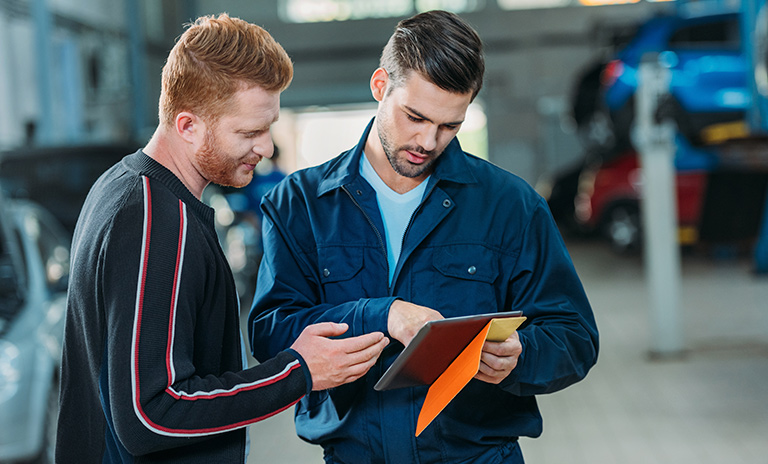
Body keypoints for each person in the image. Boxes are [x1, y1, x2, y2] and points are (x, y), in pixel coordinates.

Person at [249, 10, 599, 463]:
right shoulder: (299, 204)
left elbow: (574, 336)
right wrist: (380, 315)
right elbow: (271, 333)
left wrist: (521, 355)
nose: (429, 141)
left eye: (450, 125)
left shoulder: (511, 205)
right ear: (380, 86)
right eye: (415, 117)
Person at [56, 14, 388, 463]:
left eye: (268, 127)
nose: (267, 148)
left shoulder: (123, 186)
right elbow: (150, 413)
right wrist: (299, 370)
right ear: (188, 125)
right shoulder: (153, 219)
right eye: (249, 132)